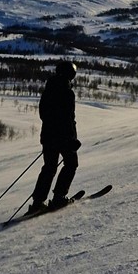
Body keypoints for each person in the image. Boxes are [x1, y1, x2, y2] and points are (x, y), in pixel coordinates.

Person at [28, 61, 81, 213]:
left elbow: (43, 115)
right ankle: (58, 197)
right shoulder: (66, 92)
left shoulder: (48, 90)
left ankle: (37, 202)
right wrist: (72, 139)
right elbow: (68, 118)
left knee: (49, 168)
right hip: (64, 138)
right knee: (71, 164)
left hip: (48, 136)